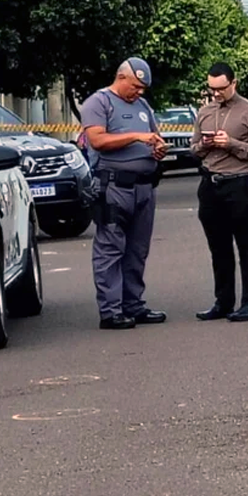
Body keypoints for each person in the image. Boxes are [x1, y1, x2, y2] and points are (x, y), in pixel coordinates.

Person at [81, 57, 167, 330]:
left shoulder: (142, 106)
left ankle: (134, 305)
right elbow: (97, 140)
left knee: (137, 249)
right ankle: (111, 311)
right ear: (121, 78)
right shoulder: (99, 103)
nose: (139, 92)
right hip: (114, 187)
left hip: (144, 186)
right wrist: (136, 137)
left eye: (143, 88)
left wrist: (158, 149)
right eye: (136, 86)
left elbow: (154, 135)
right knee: (110, 248)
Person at [193, 62, 248, 323]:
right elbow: (193, 149)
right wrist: (204, 145)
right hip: (210, 185)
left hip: (239, 184)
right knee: (218, 247)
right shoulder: (204, 112)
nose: (216, 94)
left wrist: (233, 144)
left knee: (246, 245)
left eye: (221, 89)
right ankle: (223, 302)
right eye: (212, 89)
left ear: (233, 83)